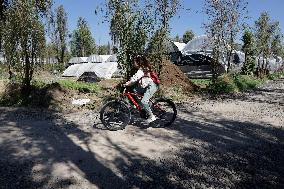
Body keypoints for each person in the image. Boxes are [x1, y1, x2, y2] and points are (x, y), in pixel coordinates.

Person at [123, 55, 159, 123]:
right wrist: (128, 83)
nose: (133, 63)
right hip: (147, 86)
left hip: (152, 86)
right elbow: (133, 79)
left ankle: (152, 116)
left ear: (138, 62)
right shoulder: (141, 69)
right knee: (134, 90)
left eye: (134, 62)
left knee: (143, 101)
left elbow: (134, 79)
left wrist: (126, 84)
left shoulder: (142, 70)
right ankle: (141, 106)